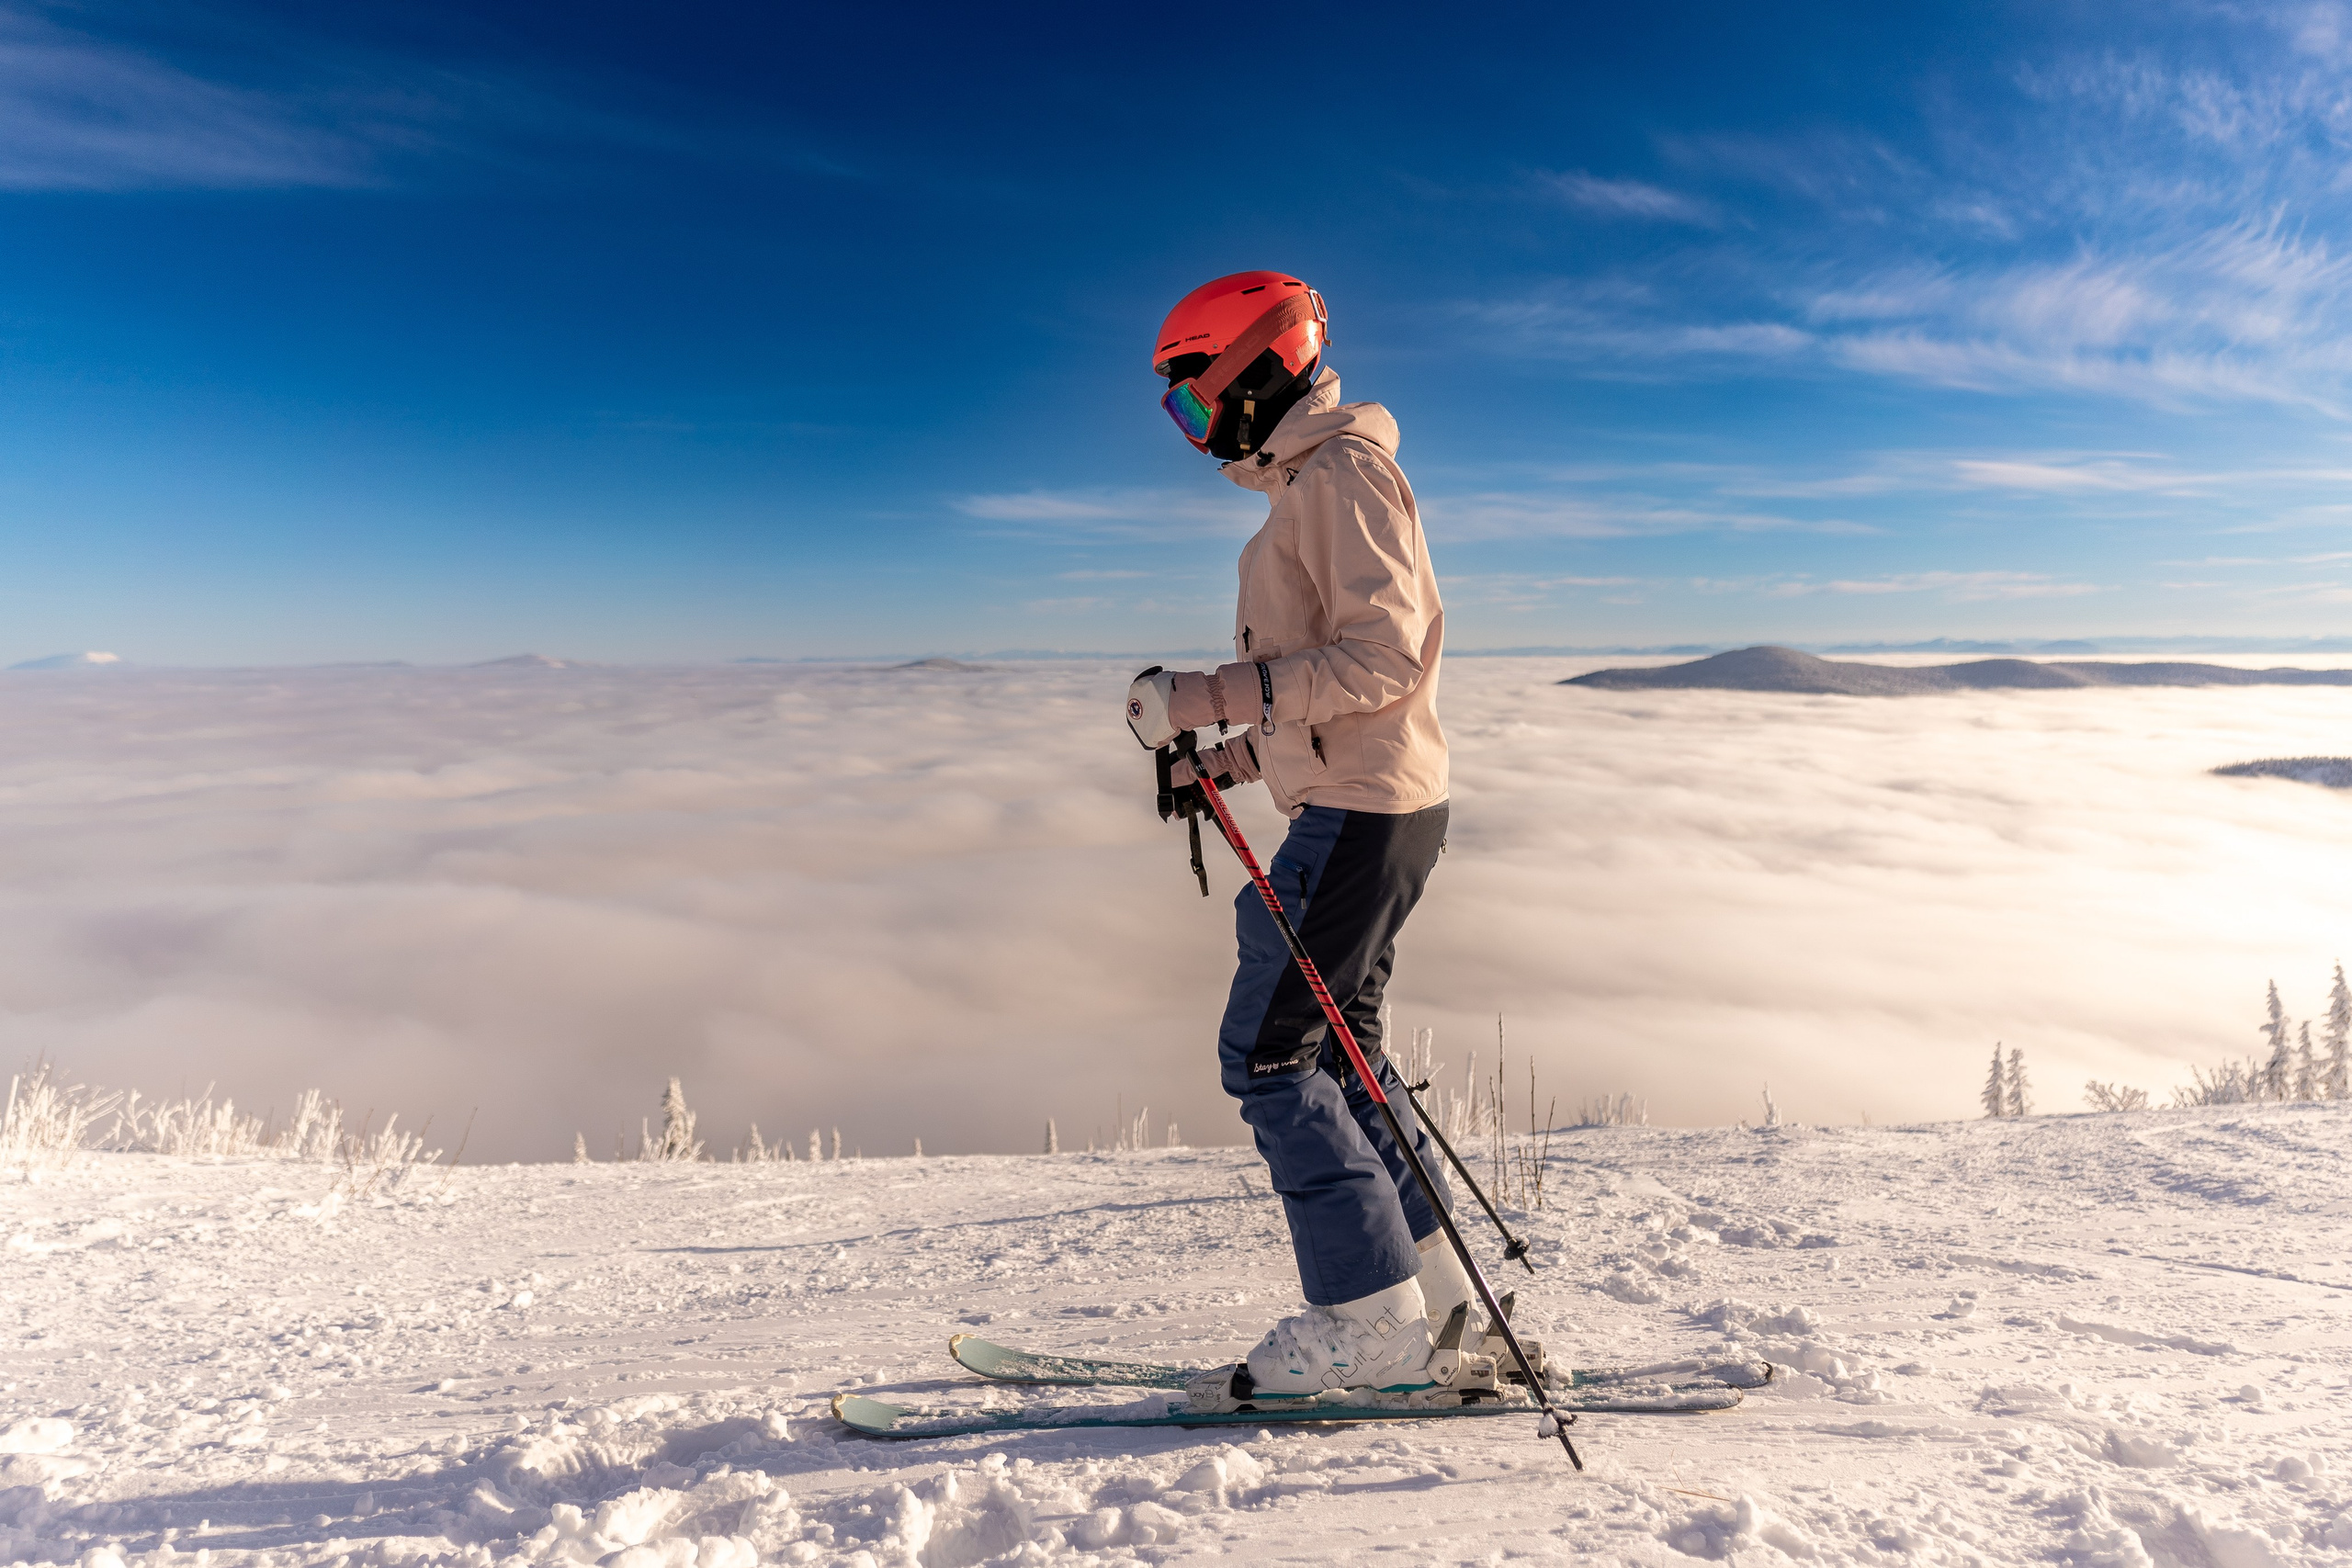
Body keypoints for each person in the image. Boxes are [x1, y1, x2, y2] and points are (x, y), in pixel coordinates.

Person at [1138, 270, 1467, 1394]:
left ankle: (1367, 1324)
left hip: (1363, 818)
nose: (1190, 431)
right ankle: (1436, 1304)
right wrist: (1226, 763)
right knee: (1337, 1051)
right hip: (1372, 805)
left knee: (1269, 1056)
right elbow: (1338, 692)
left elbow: (1378, 662)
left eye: (1192, 401)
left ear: (1253, 369)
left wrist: (1202, 699)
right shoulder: (1311, 481)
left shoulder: (1340, 475)